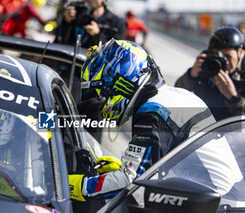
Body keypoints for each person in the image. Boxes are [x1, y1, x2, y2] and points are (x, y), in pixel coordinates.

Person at [69, 39, 216, 202]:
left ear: (122, 82)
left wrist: (76, 186)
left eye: (106, 92)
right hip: (218, 198)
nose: (104, 99)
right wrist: (125, 166)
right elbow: (159, 168)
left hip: (212, 207)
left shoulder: (153, 111)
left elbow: (131, 183)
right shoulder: (176, 96)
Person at [175, 26, 245, 121]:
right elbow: (176, 94)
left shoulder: (242, 77)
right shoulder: (205, 70)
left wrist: (233, 97)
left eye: (228, 57)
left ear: (240, 53)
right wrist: (191, 76)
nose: (224, 62)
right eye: (219, 56)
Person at [55, 0, 126, 48]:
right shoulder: (75, 14)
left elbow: (115, 53)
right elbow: (59, 42)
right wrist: (66, 22)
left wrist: (97, 35)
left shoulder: (116, 23)